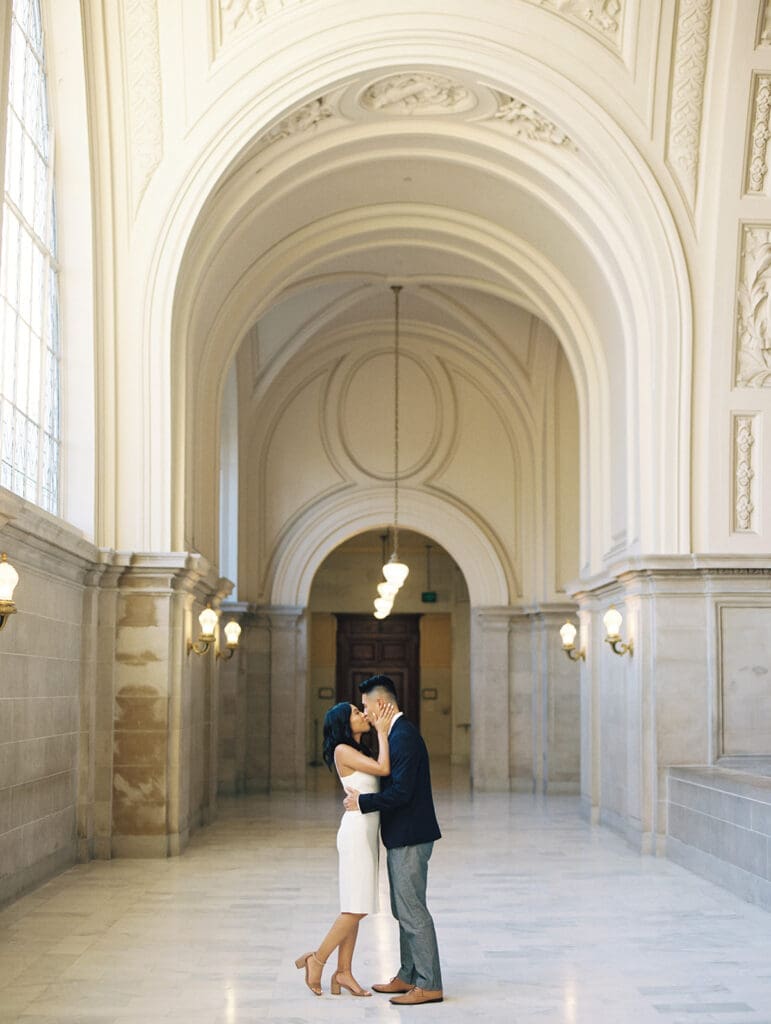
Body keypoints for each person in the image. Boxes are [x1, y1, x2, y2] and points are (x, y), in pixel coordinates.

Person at [343, 674, 444, 1005]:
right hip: (403, 835)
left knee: (412, 910)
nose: (365, 711)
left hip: (411, 837)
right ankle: (407, 975)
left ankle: (428, 984)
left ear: (381, 704)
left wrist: (363, 802)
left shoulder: (403, 737)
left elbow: (400, 793)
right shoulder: (394, 734)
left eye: (366, 705)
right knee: (402, 908)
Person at [295, 698, 395, 997]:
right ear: (343, 723)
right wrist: (382, 730)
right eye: (355, 712)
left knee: (355, 903)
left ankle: (344, 972)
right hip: (355, 833)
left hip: (366, 831)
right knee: (357, 907)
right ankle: (317, 959)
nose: (362, 714)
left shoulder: (355, 749)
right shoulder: (343, 750)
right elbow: (384, 768)